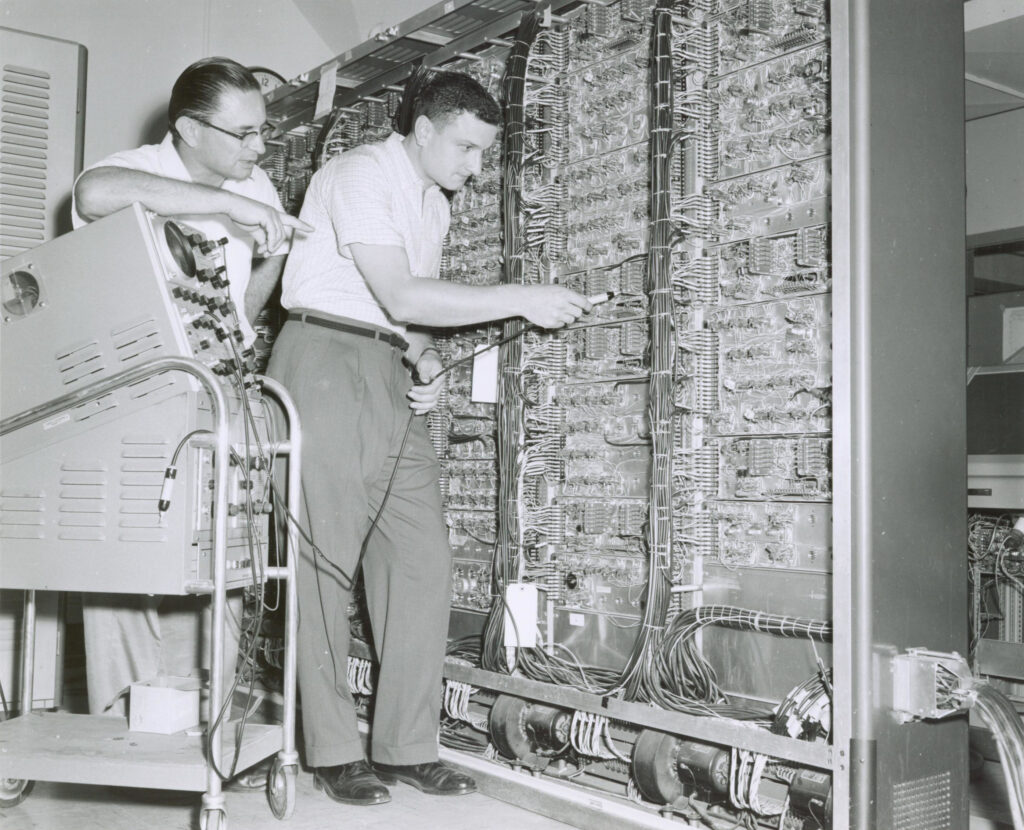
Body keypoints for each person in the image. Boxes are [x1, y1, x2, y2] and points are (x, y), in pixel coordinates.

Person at [267, 69, 591, 807]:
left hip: (384, 368)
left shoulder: (430, 205)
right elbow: (399, 292)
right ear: (422, 129)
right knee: (321, 561)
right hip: (323, 360)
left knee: (420, 562)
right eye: (468, 149)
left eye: (482, 154)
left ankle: (407, 746)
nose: (475, 170)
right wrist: (523, 297)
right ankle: (332, 750)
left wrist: (426, 356)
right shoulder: (357, 174)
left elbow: (409, 317)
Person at [71, 57, 311, 719]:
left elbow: (246, 296)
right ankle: (123, 716)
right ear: (188, 128)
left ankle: (199, 719)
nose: (259, 148)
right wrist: (226, 203)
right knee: (129, 559)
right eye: (244, 134)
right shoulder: (142, 167)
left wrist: (266, 266)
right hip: (138, 392)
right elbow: (93, 195)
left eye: (263, 131)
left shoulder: (257, 182)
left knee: (220, 551)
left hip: (217, 387)